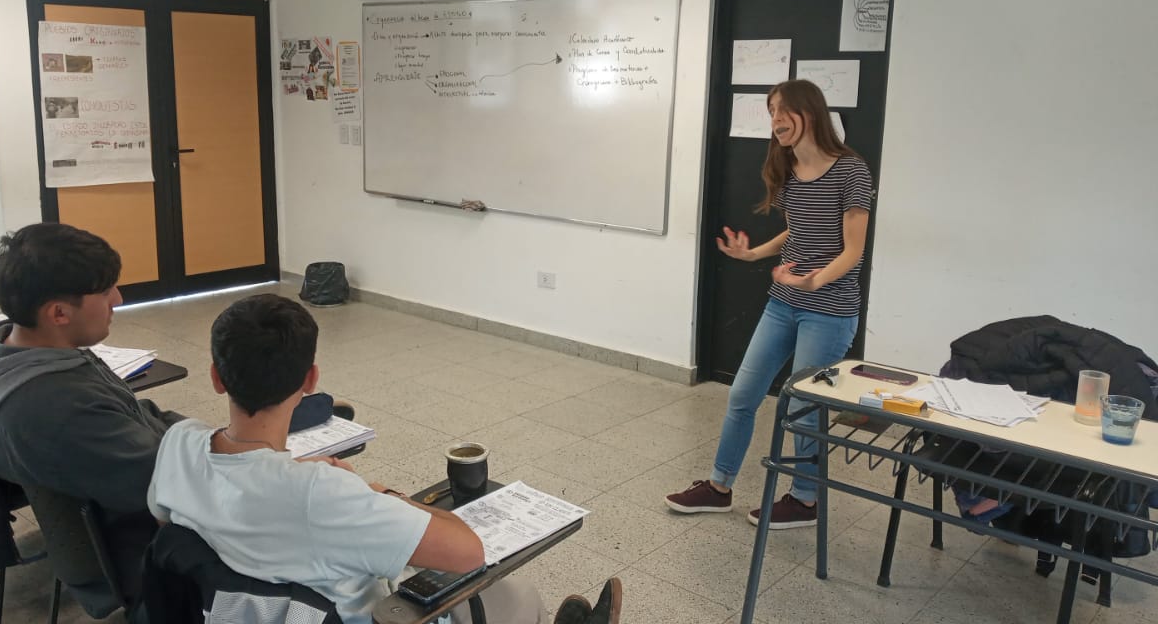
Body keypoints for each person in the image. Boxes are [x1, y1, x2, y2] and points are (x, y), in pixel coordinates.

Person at [148, 294, 622, 624]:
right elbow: (468, 551)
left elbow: (180, 519)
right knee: (516, 595)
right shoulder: (323, 493)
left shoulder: (179, 444)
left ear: (216, 377)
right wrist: (379, 493)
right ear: (311, 379)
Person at [665, 79, 873, 530]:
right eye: (771, 111)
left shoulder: (851, 170)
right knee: (743, 395)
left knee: (801, 406)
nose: (775, 120)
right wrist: (754, 254)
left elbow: (853, 250)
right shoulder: (788, 168)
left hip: (829, 310)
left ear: (810, 112)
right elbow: (797, 230)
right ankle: (719, 487)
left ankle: (804, 500)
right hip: (783, 303)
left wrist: (814, 280)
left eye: (783, 110)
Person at [0, 222, 184, 614]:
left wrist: (207, 439)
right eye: (106, 291)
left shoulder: (18, 354)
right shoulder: (54, 406)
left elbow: (135, 413)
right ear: (58, 313)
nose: (118, 298)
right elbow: (169, 487)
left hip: (137, 508)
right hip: (146, 551)